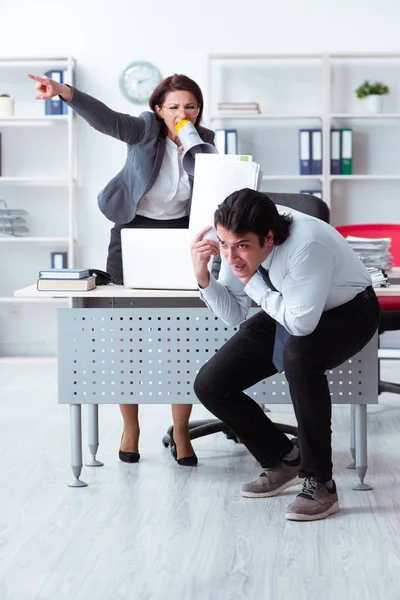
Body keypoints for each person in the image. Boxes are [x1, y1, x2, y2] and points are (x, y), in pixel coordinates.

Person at [28, 71, 215, 467]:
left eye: (191, 106)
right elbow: (106, 118)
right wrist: (64, 92)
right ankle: (131, 428)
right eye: (175, 106)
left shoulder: (206, 142)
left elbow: (215, 192)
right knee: (125, 338)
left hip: (178, 237)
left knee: (180, 341)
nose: (183, 113)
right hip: (133, 232)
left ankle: (181, 431)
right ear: (158, 109)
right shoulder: (145, 129)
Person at [190, 188, 380, 521]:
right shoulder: (236, 234)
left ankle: (321, 483)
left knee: (299, 355)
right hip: (290, 304)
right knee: (211, 384)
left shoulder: (306, 246)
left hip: (350, 310)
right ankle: (282, 460)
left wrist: (251, 280)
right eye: (224, 244)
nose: (231, 257)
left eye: (242, 247)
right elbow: (235, 313)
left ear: (269, 238)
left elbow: (301, 326)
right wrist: (203, 278)